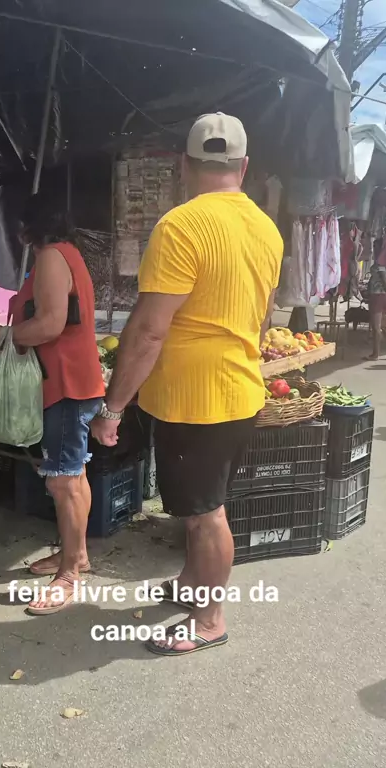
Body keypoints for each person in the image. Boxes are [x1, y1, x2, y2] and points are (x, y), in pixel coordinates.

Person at [91, 113, 284, 656]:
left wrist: (113, 407)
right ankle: (191, 585)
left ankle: (209, 620)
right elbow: (262, 317)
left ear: (184, 165)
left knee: (205, 514)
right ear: (243, 166)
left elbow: (149, 330)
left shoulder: (181, 226)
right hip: (239, 389)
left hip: (195, 400)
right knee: (207, 503)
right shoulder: (267, 229)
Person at [0, 192, 105, 614]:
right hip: (75, 381)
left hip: (64, 384)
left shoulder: (51, 257)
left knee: (63, 481)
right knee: (74, 474)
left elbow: (50, 324)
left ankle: (68, 576)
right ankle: (77, 555)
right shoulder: (67, 254)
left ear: (27, 226)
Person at [365, 234, 386, 361]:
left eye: (375, 247)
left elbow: (384, 280)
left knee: (376, 327)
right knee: (384, 326)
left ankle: (375, 354)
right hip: (384, 297)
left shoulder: (380, 263)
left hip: (378, 296)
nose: (373, 249)